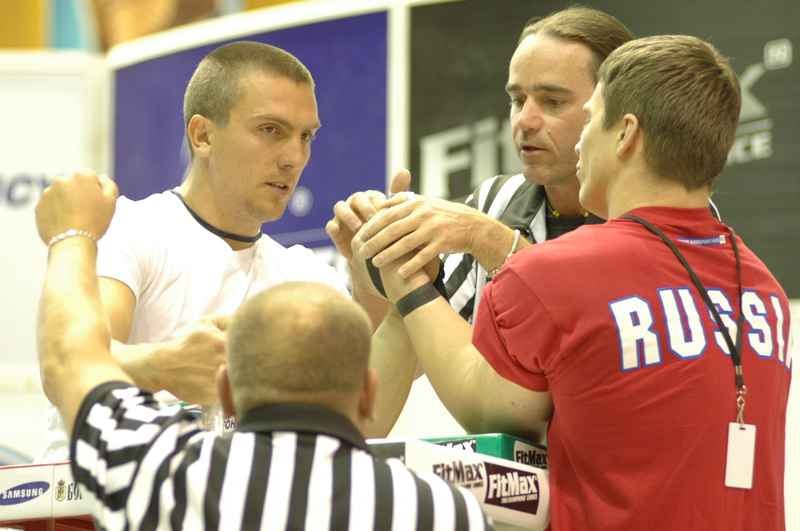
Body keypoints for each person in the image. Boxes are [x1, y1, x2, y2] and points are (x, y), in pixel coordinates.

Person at [364, 35, 792, 530]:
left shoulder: (551, 272)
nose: (582, 139)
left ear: (625, 134)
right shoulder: (764, 288)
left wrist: (408, 279)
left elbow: (488, 410)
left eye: (590, 118)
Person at [34, 173, 493, 530]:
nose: (293, 156)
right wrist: (408, 290)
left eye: (306, 135)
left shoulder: (164, 473)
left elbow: (69, 360)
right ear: (367, 394)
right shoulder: (447, 513)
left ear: (226, 393)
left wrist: (71, 234)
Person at [327, 7, 635, 436]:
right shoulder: (496, 200)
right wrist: (382, 265)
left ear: (614, 111)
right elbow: (413, 354)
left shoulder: (660, 205)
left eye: (552, 101)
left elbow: (606, 344)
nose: (524, 120)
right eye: (516, 99)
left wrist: (487, 238)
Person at [41, 41, 349, 460]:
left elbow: (364, 424)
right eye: (270, 130)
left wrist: (385, 288)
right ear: (202, 135)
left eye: (306, 136)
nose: (294, 157)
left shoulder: (309, 276)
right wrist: (161, 365)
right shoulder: (129, 228)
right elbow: (72, 363)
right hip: (96, 512)